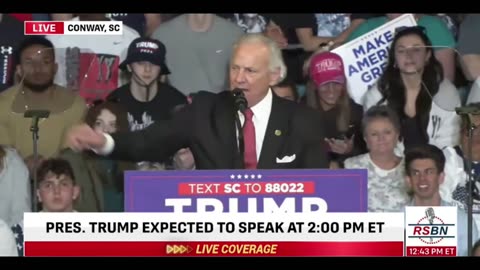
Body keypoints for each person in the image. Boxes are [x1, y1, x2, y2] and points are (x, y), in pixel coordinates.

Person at [65, 33, 329, 169]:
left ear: (274, 75)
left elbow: (319, 189)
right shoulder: (204, 111)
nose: (239, 79)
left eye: (250, 71)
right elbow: (149, 142)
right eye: (234, 68)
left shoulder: (303, 121)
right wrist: (104, 142)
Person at [362, 26, 461, 153]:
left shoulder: (446, 93)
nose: (409, 56)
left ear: (427, 56)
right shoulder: (377, 95)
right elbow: (375, 145)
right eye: (401, 51)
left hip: (436, 167)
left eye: (416, 49)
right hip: (391, 167)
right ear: (394, 59)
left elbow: (449, 146)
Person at [404, 144, 479, 256]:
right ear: (408, 180)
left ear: (441, 177)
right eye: (416, 173)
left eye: (429, 172)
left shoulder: (462, 220)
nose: (422, 179)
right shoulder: (396, 221)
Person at [304, 50, 366, 168]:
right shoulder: (299, 113)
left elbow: (367, 154)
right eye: (325, 84)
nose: (331, 90)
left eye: (337, 83)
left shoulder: (356, 112)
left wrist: (350, 151)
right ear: (314, 85)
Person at [344, 105, 410, 212]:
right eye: (374, 134)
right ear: (366, 138)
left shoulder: (411, 167)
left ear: (397, 134)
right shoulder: (351, 167)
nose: (381, 138)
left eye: (387, 132)